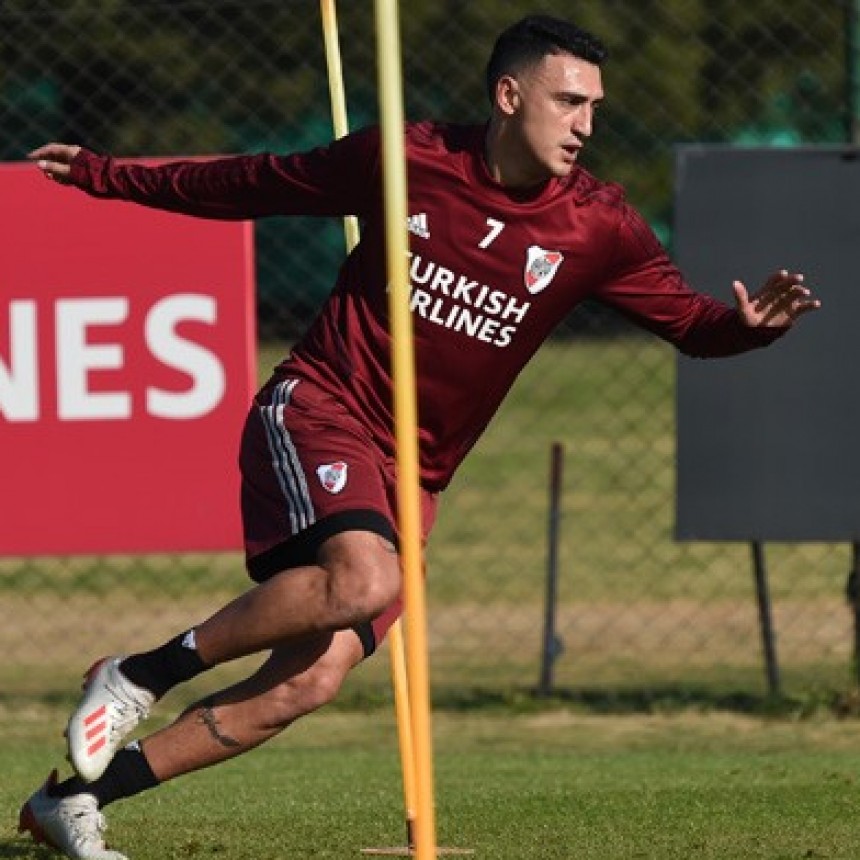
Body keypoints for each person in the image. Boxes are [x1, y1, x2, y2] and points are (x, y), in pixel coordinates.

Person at [19, 14, 820, 860]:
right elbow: (252, 181)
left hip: (416, 476)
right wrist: (106, 177)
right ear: (509, 96)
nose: (586, 124)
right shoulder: (406, 161)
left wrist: (749, 327)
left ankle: (72, 800)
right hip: (321, 408)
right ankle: (140, 673)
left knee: (310, 681)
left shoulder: (598, 226)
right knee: (364, 580)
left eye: (595, 107)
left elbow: (692, 324)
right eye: (568, 101)